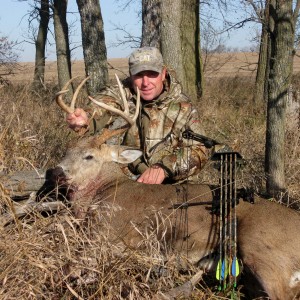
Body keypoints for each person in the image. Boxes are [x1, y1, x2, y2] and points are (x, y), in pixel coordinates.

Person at [66, 47, 209, 184]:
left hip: (173, 188)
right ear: (131, 74)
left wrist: (164, 169)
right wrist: (87, 116)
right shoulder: (122, 94)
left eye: (152, 74)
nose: (146, 83)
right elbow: (105, 102)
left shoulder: (183, 108)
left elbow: (201, 149)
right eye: (139, 75)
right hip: (126, 184)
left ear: (163, 73)